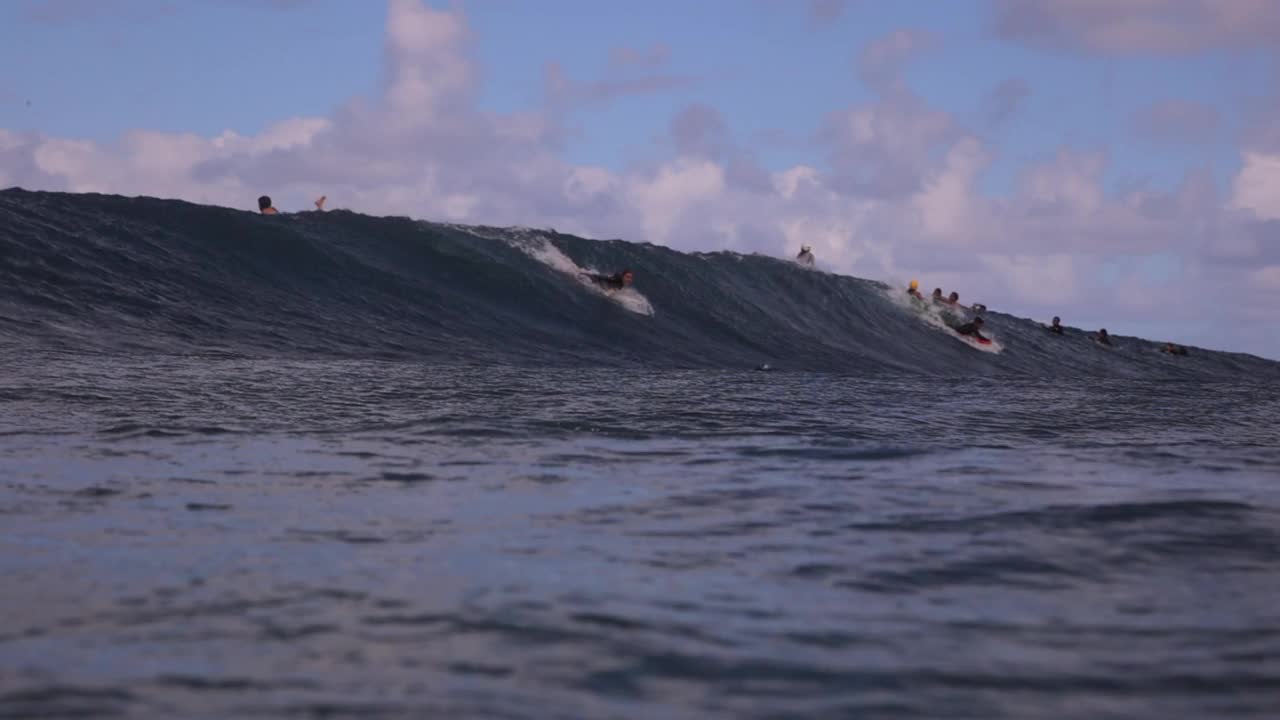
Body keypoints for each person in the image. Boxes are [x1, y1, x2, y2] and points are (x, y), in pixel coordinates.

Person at [257, 194, 327, 214]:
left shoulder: (266, 212)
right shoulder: (273, 209)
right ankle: (319, 206)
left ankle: (319, 206)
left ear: (260, 205)